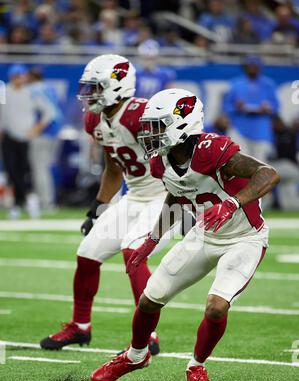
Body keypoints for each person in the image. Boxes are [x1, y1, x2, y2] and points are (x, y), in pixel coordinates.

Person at [90, 88, 280, 381]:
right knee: (150, 299)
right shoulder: (161, 161)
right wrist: (152, 239)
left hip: (245, 237)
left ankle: (196, 366)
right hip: (204, 234)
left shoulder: (210, 149)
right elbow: (177, 195)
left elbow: (268, 174)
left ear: (182, 123)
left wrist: (232, 203)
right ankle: (136, 356)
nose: (149, 134)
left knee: (216, 307)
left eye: (157, 126)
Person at [40, 54, 179, 355]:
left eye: (96, 87)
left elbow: (179, 152)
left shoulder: (141, 114)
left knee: (134, 252)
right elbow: (114, 169)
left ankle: (148, 335)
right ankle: (80, 327)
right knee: (88, 254)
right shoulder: (95, 119)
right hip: (137, 197)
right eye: (87, 87)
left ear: (117, 86)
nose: (89, 94)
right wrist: (98, 208)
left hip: (169, 199)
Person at [0, 64, 40, 219]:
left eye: (20, 75)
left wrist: (36, 128)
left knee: (23, 171)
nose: (18, 79)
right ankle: (27, 199)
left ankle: (20, 203)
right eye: (15, 76)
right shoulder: (4, 91)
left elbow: (49, 112)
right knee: (11, 170)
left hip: (25, 138)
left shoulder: (31, 93)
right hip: (8, 136)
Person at [223, 55, 279, 163]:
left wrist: (268, 108)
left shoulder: (268, 84)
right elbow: (226, 107)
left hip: (261, 130)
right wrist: (236, 107)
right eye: (250, 65)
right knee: (238, 163)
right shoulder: (235, 84)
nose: (252, 68)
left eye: (255, 65)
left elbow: (276, 107)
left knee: (260, 165)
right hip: (240, 128)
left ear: (260, 67)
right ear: (245, 67)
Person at [28, 67, 63, 211]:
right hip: (55, 132)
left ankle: (45, 202)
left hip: (44, 133)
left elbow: (49, 113)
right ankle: (47, 200)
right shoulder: (50, 88)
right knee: (45, 169)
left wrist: (36, 129)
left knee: (40, 169)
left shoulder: (33, 90)